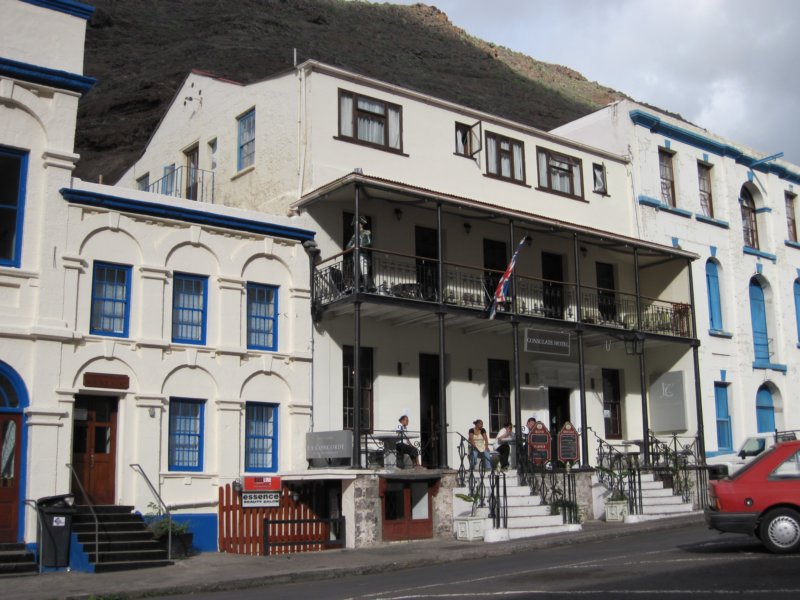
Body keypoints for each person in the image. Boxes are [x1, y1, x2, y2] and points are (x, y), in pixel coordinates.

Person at [346, 216, 373, 291]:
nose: (357, 225)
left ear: (361, 224)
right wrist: (352, 246)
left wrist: (361, 245)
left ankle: (365, 288)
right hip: (355, 254)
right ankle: (357, 288)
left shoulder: (366, 232)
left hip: (362, 253)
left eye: (358, 224)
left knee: (364, 269)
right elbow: (347, 246)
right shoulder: (354, 235)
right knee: (356, 270)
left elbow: (369, 242)